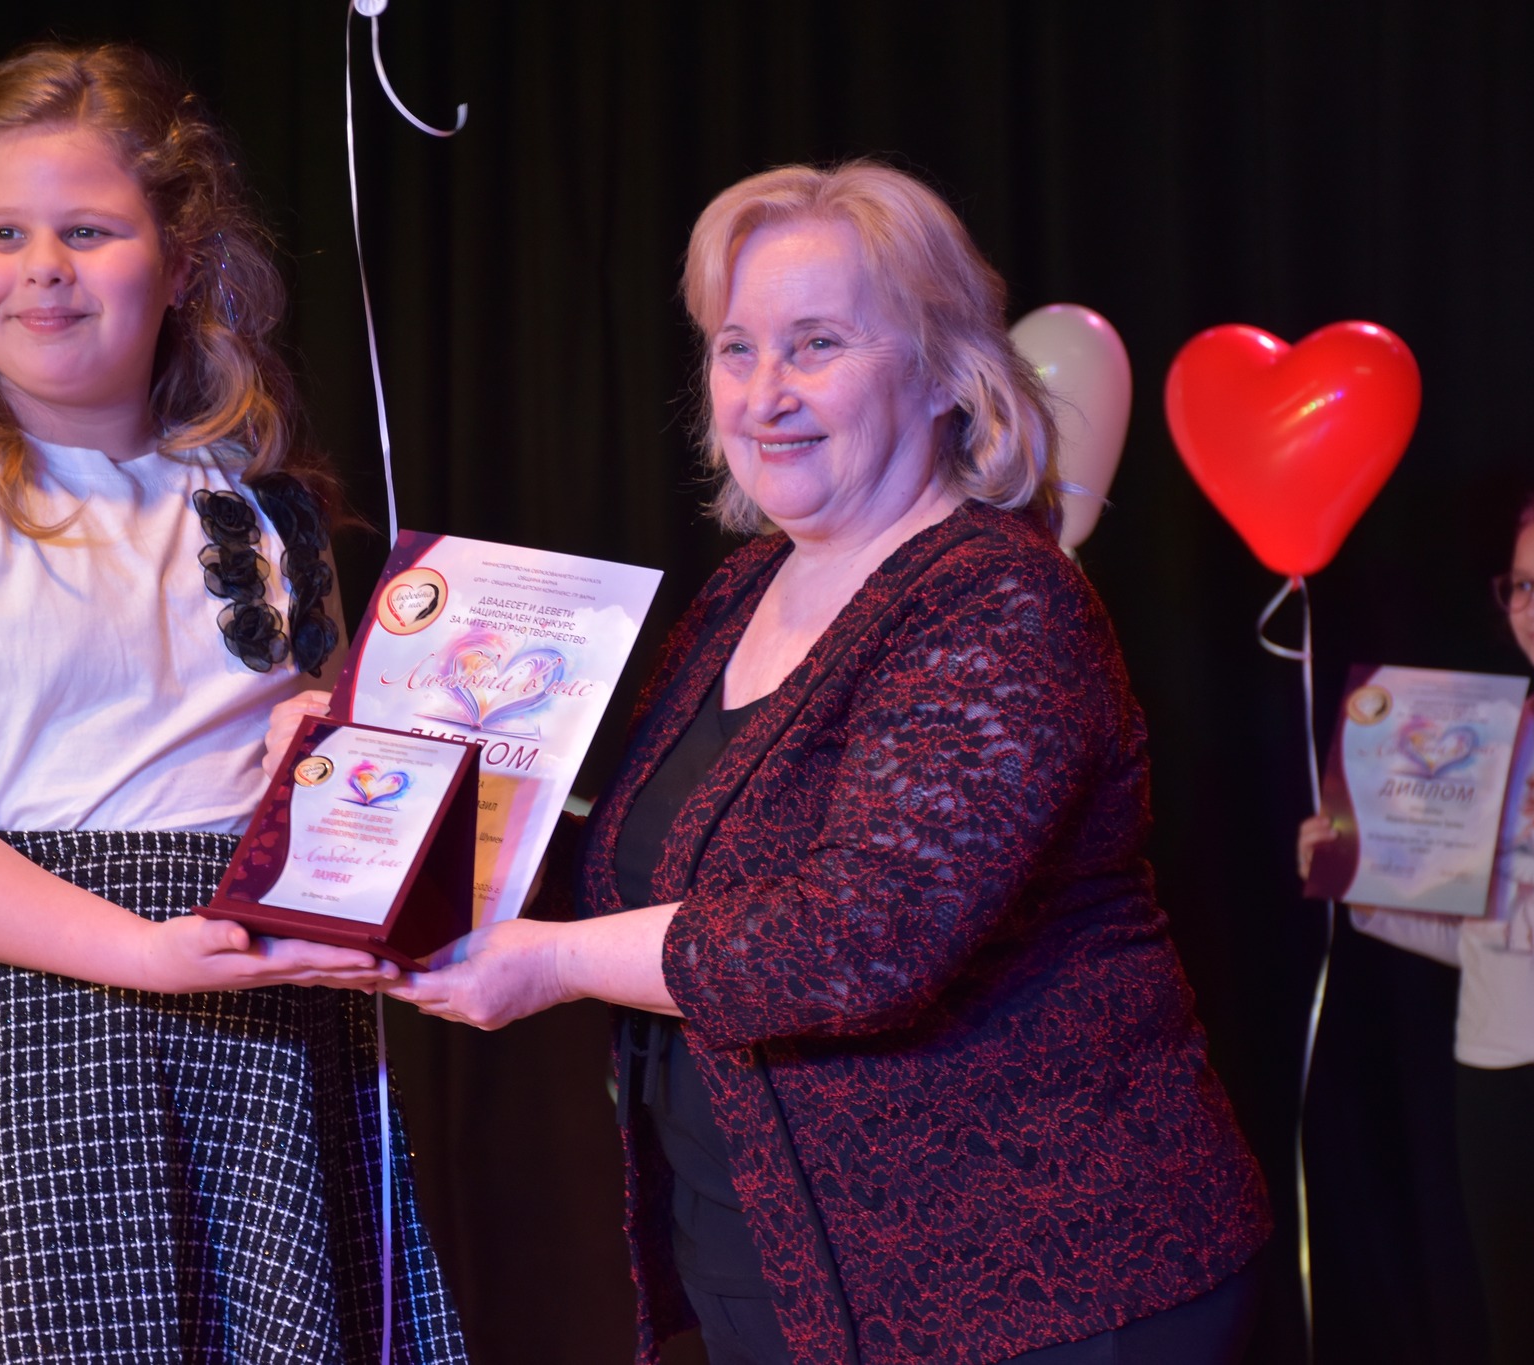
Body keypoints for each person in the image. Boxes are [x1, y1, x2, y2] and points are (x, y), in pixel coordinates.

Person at [382, 161, 1273, 1365]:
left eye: (815, 344)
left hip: (1047, 1293)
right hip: (786, 1285)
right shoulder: (743, 591)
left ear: (945, 372)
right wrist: (390, 783)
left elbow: (856, 940)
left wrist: (549, 965)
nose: (764, 394)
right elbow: (643, 878)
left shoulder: (998, 598)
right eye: (735, 348)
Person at [0, 44, 467, 1364]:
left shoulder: (257, 494)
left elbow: (299, 743)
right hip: (8, 1024)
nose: (43, 266)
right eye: (3, 234)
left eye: (90, 231)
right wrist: (142, 951)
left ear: (179, 260)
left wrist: (315, 741)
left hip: (243, 1017)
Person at [1297, 482, 1534, 1365]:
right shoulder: (1483, 738)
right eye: (1522, 584)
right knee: (1523, 1332)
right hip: (1491, 1068)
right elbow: (1474, 937)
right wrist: (1355, 875)